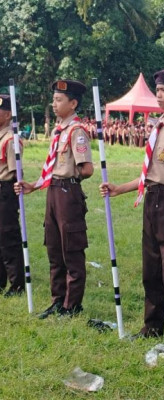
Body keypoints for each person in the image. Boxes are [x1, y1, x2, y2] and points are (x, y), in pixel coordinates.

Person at [100, 68, 164, 347]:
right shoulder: (159, 126)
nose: (157, 94)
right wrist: (120, 188)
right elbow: (150, 174)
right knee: (152, 267)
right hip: (152, 198)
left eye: (163, 90)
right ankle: (152, 325)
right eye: (155, 90)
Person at [15, 79, 93, 318]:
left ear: (73, 103)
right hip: (53, 192)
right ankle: (57, 300)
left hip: (67, 193)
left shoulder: (76, 132)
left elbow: (87, 169)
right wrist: (36, 184)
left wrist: (67, 179)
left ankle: (72, 305)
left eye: (59, 100)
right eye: (54, 99)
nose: (55, 104)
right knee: (54, 248)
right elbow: (52, 166)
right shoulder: (59, 130)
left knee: (71, 248)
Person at [0, 94, 25, 297]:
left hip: (5, 190)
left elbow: (15, 171)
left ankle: (16, 284)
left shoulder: (11, 139)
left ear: (8, 115)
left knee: (8, 236)